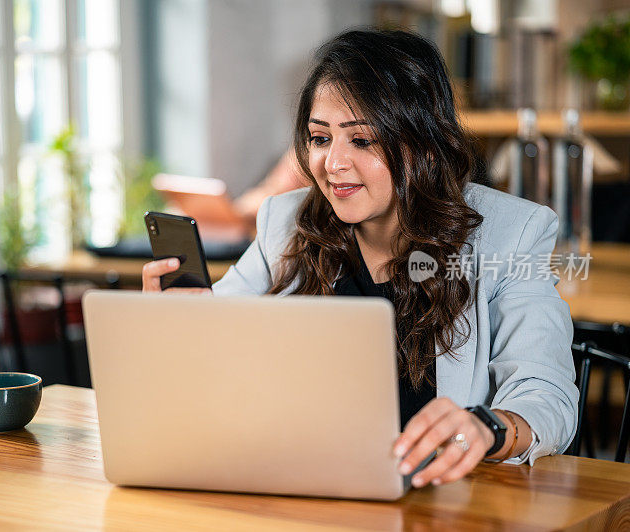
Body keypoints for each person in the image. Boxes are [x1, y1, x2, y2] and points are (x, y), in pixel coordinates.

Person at [141, 29, 577, 489]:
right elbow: (219, 342)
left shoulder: (511, 232)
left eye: (362, 141)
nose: (332, 164)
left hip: (444, 502)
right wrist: (178, 326)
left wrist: (487, 428)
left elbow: (546, 396)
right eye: (319, 138)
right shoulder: (285, 221)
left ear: (423, 142)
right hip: (306, 487)